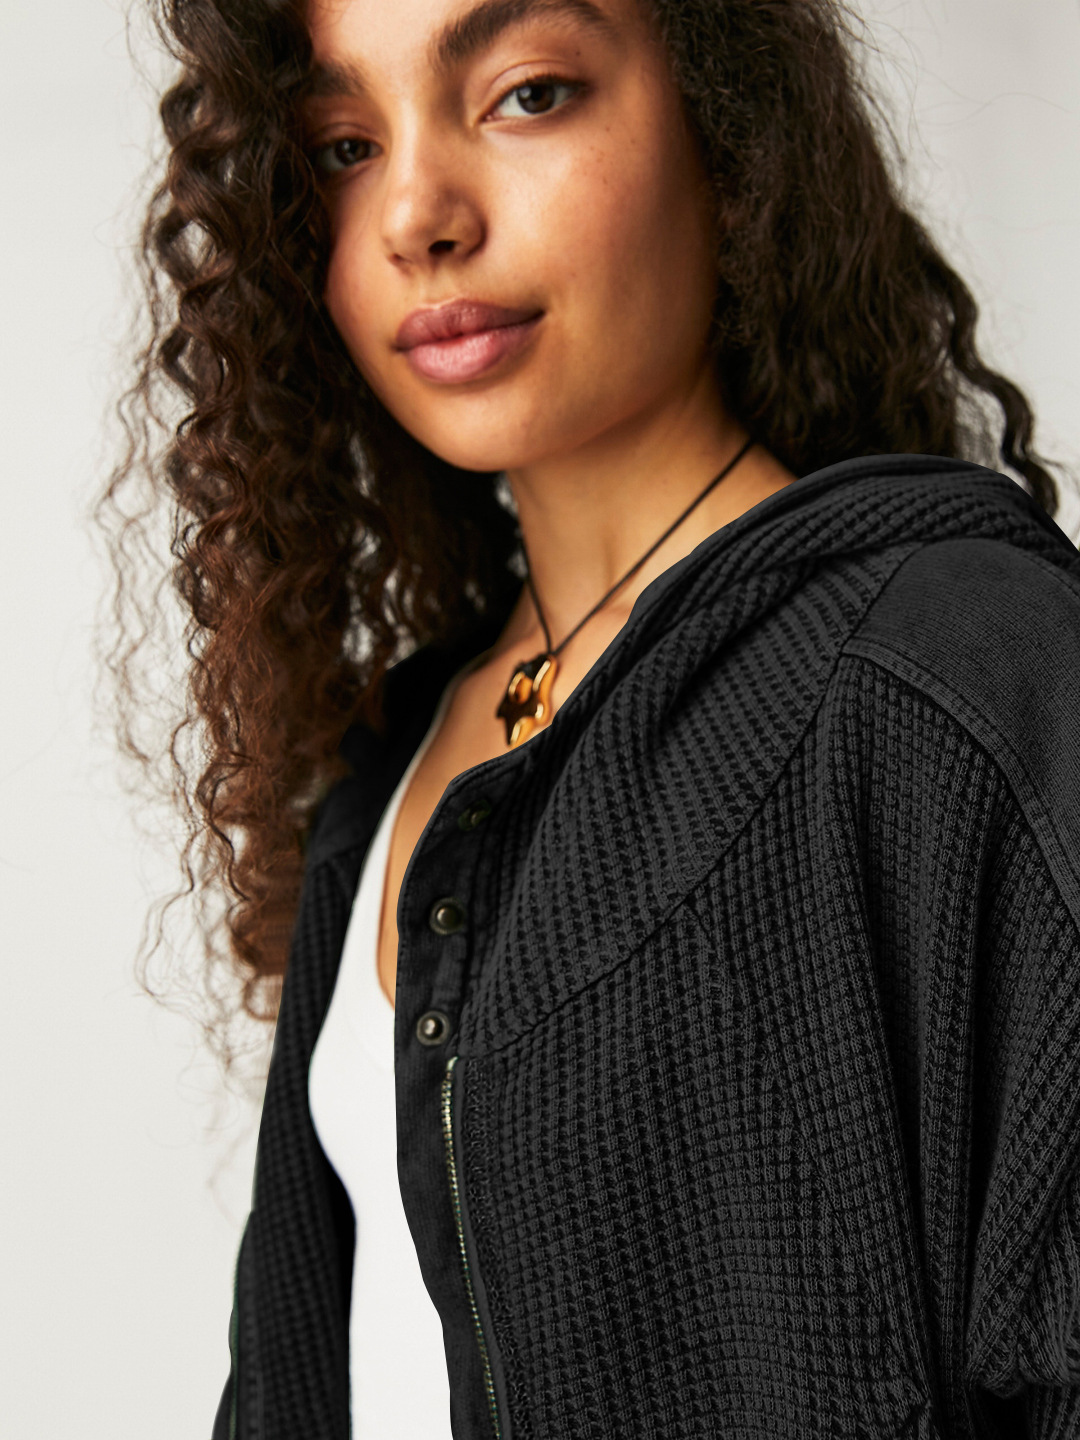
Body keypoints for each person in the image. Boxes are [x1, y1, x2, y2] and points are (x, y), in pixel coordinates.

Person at [99, 0, 1080, 1435]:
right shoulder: (390, 772)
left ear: (729, 137)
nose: (418, 216)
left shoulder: (962, 681)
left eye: (529, 93)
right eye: (347, 145)